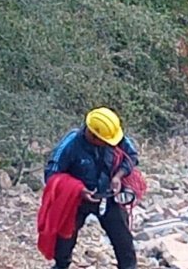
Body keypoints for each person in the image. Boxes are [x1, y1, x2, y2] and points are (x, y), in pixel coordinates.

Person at [40, 107, 137, 269]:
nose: (109, 144)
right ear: (92, 135)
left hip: (109, 196)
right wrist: (77, 189)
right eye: (104, 141)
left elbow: (132, 156)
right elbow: (51, 173)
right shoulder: (70, 144)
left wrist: (118, 176)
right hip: (76, 201)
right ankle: (61, 265)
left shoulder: (113, 137)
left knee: (123, 241)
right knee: (64, 241)